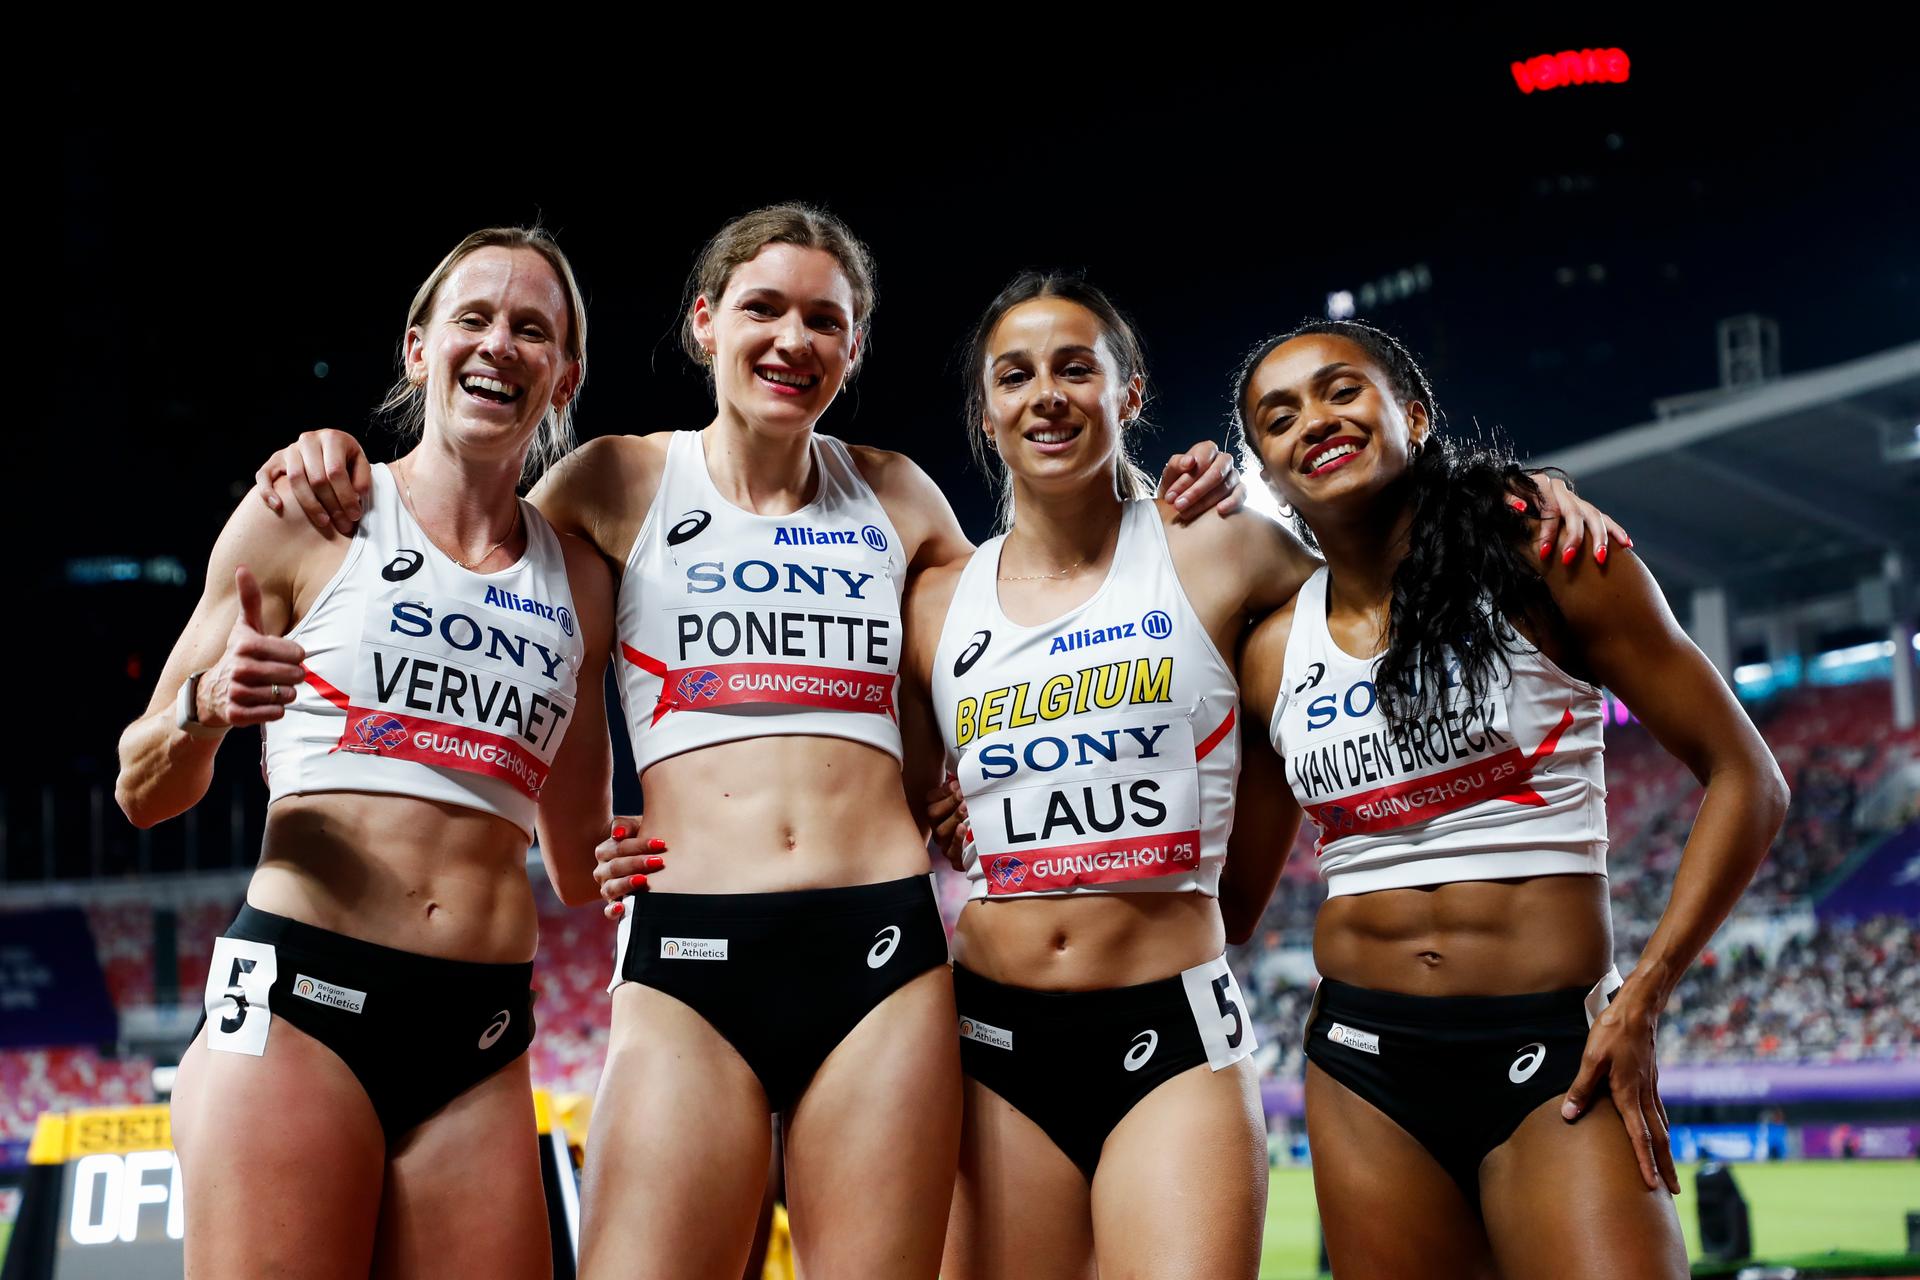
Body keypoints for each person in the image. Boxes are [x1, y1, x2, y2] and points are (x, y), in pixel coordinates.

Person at [250, 204, 1246, 1279]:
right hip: (687, 957)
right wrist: (336, 457)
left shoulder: (899, 495)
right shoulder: (613, 482)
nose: (792, 339)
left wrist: (1159, 500)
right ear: (705, 322)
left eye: (825, 319)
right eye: (764, 308)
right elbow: (465, 541)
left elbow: (1028, 618)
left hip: (880, 958)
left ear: (853, 347)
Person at [1232, 319, 1789, 1279]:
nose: (1314, 421)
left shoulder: (1548, 561)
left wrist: (1645, 995)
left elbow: (1750, 778)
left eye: (1341, 390)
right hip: (1361, 1064)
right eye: (1278, 418)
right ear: (1270, 478)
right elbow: (1230, 901)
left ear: (1413, 415)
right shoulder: (1270, 653)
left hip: (1556, 1047)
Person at [116, 227, 615, 1278]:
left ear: (564, 376)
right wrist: (206, 705)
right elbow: (140, 786)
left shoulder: (582, 581)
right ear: (418, 349)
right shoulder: (308, 513)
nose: (500, 343)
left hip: (480, 1039)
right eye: (474, 318)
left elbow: (581, 861)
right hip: (301, 1008)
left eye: (532, 329)